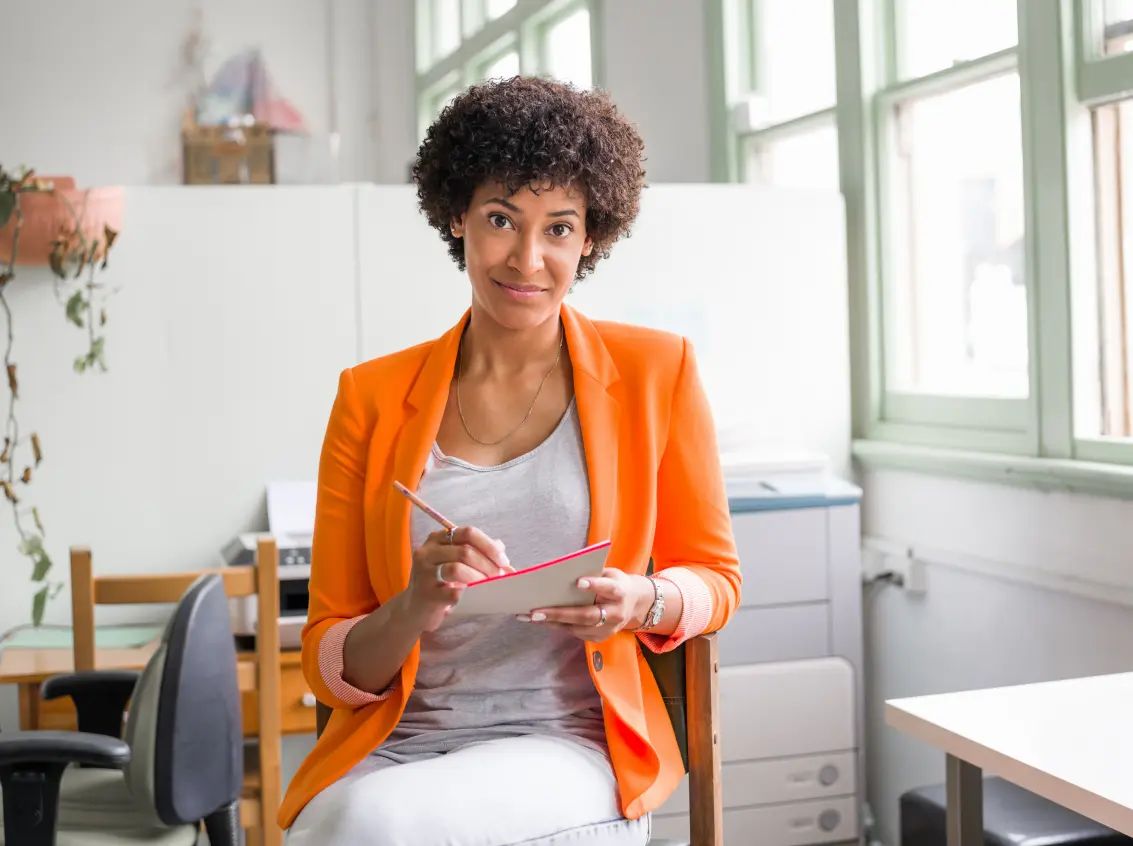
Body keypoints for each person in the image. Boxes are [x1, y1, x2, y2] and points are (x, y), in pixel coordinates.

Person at [279, 76, 741, 846]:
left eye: (558, 228)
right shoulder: (369, 397)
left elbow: (715, 582)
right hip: (392, 745)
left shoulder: (656, 373)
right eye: (501, 220)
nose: (527, 259)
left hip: (567, 743)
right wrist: (413, 605)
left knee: (366, 826)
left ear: (591, 235)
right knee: (335, 822)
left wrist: (642, 599)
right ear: (456, 216)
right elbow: (330, 661)